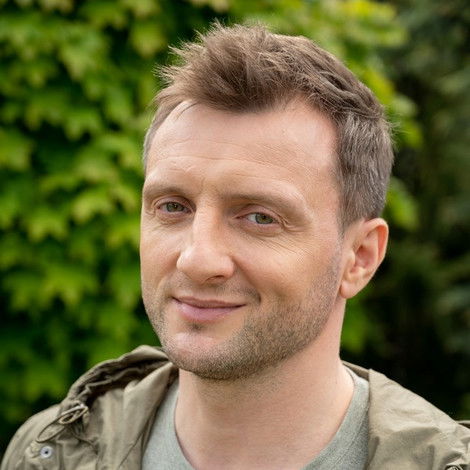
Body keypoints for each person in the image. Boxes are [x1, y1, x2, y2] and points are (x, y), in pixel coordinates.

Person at [2, 23, 469, 470]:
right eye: (173, 207)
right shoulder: (51, 453)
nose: (197, 259)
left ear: (360, 257)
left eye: (260, 217)